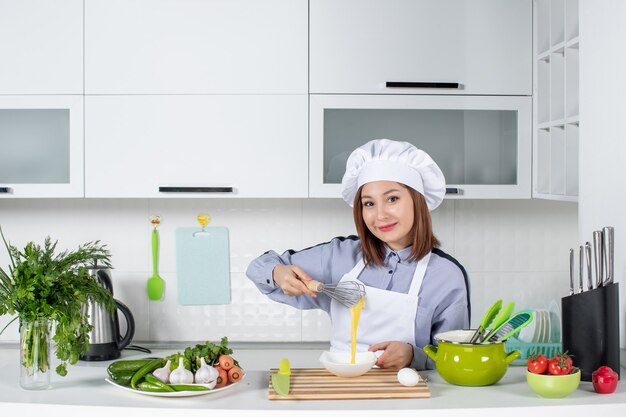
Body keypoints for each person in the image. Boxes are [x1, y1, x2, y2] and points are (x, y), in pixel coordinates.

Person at [246, 139, 470, 370]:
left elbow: (455, 358)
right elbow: (258, 267)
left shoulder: (446, 276)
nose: (380, 215)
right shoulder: (338, 256)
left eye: (392, 199)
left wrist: (413, 355)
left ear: (417, 201)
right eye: (369, 203)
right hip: (342, 391)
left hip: (411, 396)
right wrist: (277, 272)